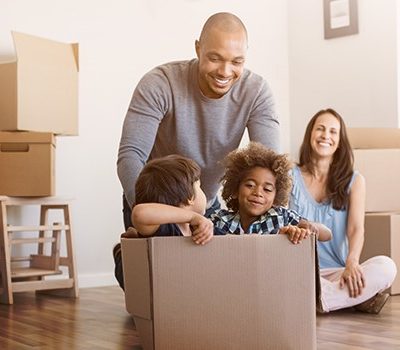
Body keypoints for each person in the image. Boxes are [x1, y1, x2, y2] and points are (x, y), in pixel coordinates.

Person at [117, 12, 279, 230]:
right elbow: (131, 155)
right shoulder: (160, 83)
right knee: (144, 264)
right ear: (198, 48)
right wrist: (150, 213)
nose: (225, 71)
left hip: (205, 206)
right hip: (154, 206)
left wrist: (277, 222)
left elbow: (270, 166)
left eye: (236, 62)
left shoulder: (257, 92)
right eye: (215, 58)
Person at [289, 108, 397, 313]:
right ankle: (352, 300)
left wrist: (353, 262)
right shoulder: (289, 175)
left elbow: (356, 229)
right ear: (310, 134)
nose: (325, 136)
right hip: (299, 271)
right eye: (320, 129)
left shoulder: (354, 181)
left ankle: (321, 301)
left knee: (387, 266)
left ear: (340, 141)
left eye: (333, 131)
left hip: (338, 273)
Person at [114, 154, 218, 290]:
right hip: (151, 288)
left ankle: (132, 240)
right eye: (200, 186)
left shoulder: (198, 229)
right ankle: (121, 253)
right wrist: (192, 217)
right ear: (190, 197)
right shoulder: (164, 230)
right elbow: (139, 213)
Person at [211, 142, 332, 243]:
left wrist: (310, 227)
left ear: (276, 197)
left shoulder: (281, 217)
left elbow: (327, 234)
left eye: (267, 189)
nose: (258, 193)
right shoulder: (221, 220)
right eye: (250, 185)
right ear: (236, 190)